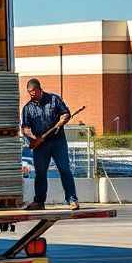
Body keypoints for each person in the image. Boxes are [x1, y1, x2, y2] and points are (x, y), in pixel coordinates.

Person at [21, 78, 79, 210]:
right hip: (40, 146)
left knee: (64, 169)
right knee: (40, 173)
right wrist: (34, 138)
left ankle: (72, 200)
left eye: (34, 92)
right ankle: (39, 202)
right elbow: (25, 128)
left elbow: (65, 114)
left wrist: (64, 118)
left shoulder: (54, 99)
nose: (32, 95)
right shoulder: (27, 109)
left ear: (39, 89)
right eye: (29, 92)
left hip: (58, 142)